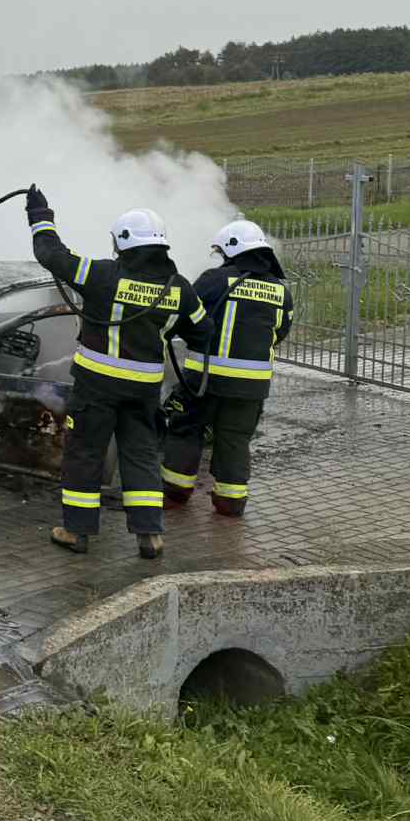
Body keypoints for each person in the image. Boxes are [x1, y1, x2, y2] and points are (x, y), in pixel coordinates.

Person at [27, 190, 209, 559]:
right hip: (144, 392)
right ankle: (150, 535)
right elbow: (203, 331)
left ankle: (76, 532)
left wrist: (40, 216)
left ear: (122, 242)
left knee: (85, 454)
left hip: (96, 388)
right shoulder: (180, 289)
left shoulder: (102, 275)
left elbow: (52, 255)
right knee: (141, 456)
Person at [161, 220, 295, 517]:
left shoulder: (215, 279)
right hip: (252, 385)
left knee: (187, 430)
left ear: (232, 250)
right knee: (235, 439)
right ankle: (231, 503)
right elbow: (280, 331)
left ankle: (175, 492)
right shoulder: (280, 290)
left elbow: (186, 314)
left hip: (206, 380)